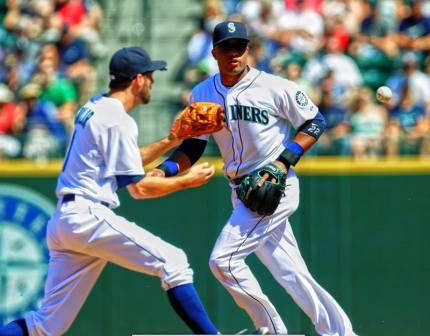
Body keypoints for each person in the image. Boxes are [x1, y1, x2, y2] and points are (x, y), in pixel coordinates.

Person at [150, 21, 358, 336]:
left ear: (249, 50)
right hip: (240, 191)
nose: (234, 53)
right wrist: (165, 170)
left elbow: (314, 121)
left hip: (273, 186)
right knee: (292, 273)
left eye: (240, 46)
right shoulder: (203, 92)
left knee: (224, 262)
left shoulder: (276, 87)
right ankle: (341, 333)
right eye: (227, 47)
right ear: (214, 52)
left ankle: (272, 330)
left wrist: (283, 162)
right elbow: (193, 145)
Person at [0, 47, 219, 336]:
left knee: (45, 326)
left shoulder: (95, 106)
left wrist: (172, 139)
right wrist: (186, 180)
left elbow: (125, 160)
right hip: (87, 216)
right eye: (151, 76)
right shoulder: (118, 120)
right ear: (138, 79)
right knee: (174, 261)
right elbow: (139, 189)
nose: (153, 82)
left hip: (66, 220)